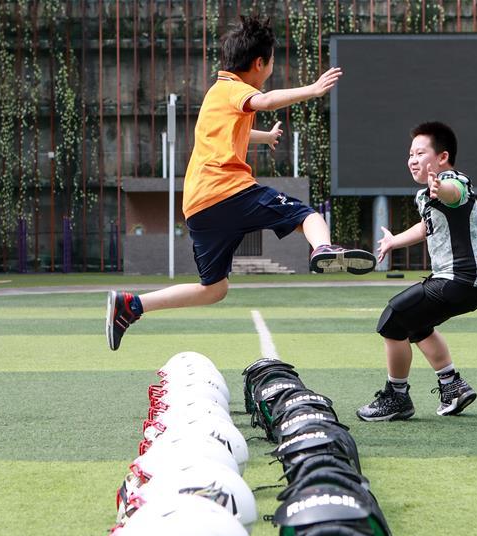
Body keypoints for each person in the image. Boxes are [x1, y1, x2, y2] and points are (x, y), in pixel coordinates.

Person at [106, 15, 375, 351]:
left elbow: (234, 131)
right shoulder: (237, 89)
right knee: (308, 216)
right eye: (271, 63)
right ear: (259, 63)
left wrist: (265, 137)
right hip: (228, 190)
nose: (271, 69)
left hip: (199, 206)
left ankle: (131, 305)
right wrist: (313, 89)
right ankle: (324, 249)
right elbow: (265, 101)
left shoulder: (216, 94)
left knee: (213, 289)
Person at [356, 121, 477, 421]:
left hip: (459, 281)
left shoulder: (454, 181)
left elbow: (454, 193)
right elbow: (425, 227)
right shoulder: (425, 196)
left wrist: (440, 188)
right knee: (416, 325)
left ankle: (397, 397)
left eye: (420, 153)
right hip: (468, 285)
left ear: (442, 157)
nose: (412, 160)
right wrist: (394, 241)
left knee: (393, 319)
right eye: (410, 154)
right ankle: (453, 386)